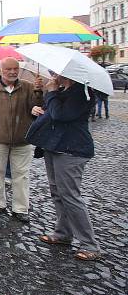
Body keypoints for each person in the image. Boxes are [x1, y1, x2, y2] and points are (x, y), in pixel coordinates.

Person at [27, 74, 101, 261]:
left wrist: (51, 93)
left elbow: (61, 115)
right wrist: (38, 108)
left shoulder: (82, 94)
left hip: (72, 149)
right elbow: (52, 111)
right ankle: (63, 234)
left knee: (70, 196)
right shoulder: (63, 91)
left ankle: (90, 244)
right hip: (54, 146)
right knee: (57, 192)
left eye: (56, 73)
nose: (53, 76)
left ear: (68, 75)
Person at [0, 57, 43, 223]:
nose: (12, 72)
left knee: (21, 175)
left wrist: (39, 92)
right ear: (0, 70)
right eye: (8, 69)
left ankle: (20, 208)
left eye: (15, 69)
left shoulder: (28, 87)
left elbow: (38, 106)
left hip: (22, 138)